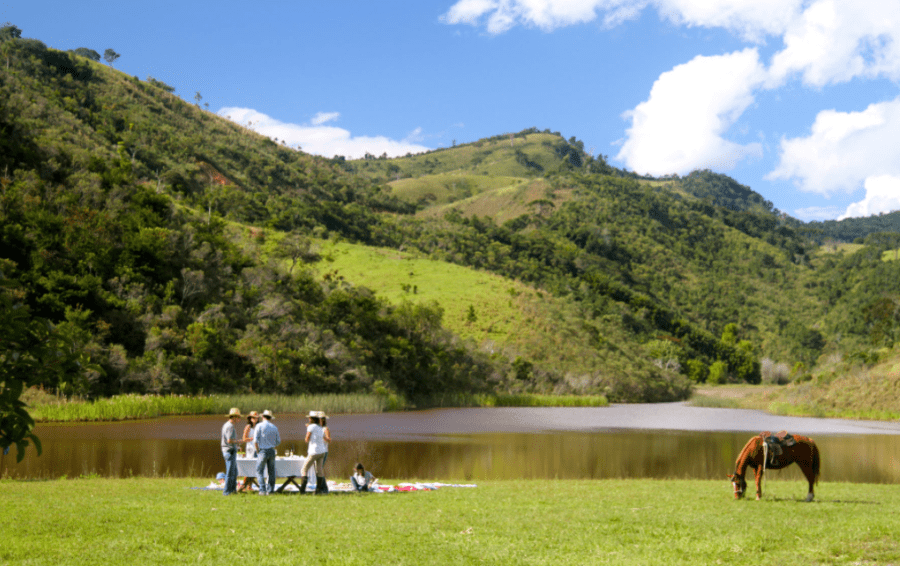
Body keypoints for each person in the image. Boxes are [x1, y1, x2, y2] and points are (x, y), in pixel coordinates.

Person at [299, 411, 328, 494]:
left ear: (312, 419)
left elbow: (306, 439)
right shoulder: (320, 427)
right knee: (319, 471)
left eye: (309, 417)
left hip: (314, 451)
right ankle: (318, 490)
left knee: (304, 469)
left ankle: (302, 490)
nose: (308, 418)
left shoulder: (311, 427)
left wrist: (308, 432)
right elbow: (324, 437)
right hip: (322, 451)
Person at [253, 409, 280, 495]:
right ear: (270, 418)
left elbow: (255, 441)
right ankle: (271, 490)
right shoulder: (274, 427)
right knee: (271, 472)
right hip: (272, 450)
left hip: (262, 450)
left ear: (262, 416)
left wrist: (258, 451)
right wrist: (272, 444)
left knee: (259, 471)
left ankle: (262, 490)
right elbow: (278, 441)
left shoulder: (259, 426)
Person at [220, 407, 242, 495]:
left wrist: (237, 446)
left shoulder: (228, 425)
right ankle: (226, 492)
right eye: (238, 417)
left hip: (230, 450)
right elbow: (229, 440)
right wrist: (239, 441)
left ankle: (233, 490)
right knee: (230, 472)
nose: (239, 419)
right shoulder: (230, 426)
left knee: (234, 472)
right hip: (229, 451)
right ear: (234, 417)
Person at [238, 411, 260, 492]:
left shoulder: (258, 427)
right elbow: (244, 439)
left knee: (255, 467)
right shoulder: (248, 427)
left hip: (257, 448)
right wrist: (253, 439)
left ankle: (249, 486)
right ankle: (244, 485)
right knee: (249, 468)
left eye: (256, 418)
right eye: (253, 418)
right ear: (250, 418)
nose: (255, 419)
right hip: (250, 449)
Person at [318, 411, 332, 494]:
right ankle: (321, 488)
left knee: (319, 470)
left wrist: (322, 436)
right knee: (318, 470)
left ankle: (324, 488)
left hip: (324, 451)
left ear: (323, 420)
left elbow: (329, 440)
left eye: (320, 419)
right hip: (318, 451)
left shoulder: (325, 429)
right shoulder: (317, 428)